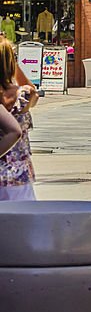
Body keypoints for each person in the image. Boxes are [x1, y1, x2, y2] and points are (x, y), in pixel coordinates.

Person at [0, 37, 38, 201]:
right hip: (19, 175)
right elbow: (34, 93)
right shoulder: (24, 95)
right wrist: (10, 62)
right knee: (23, 222)